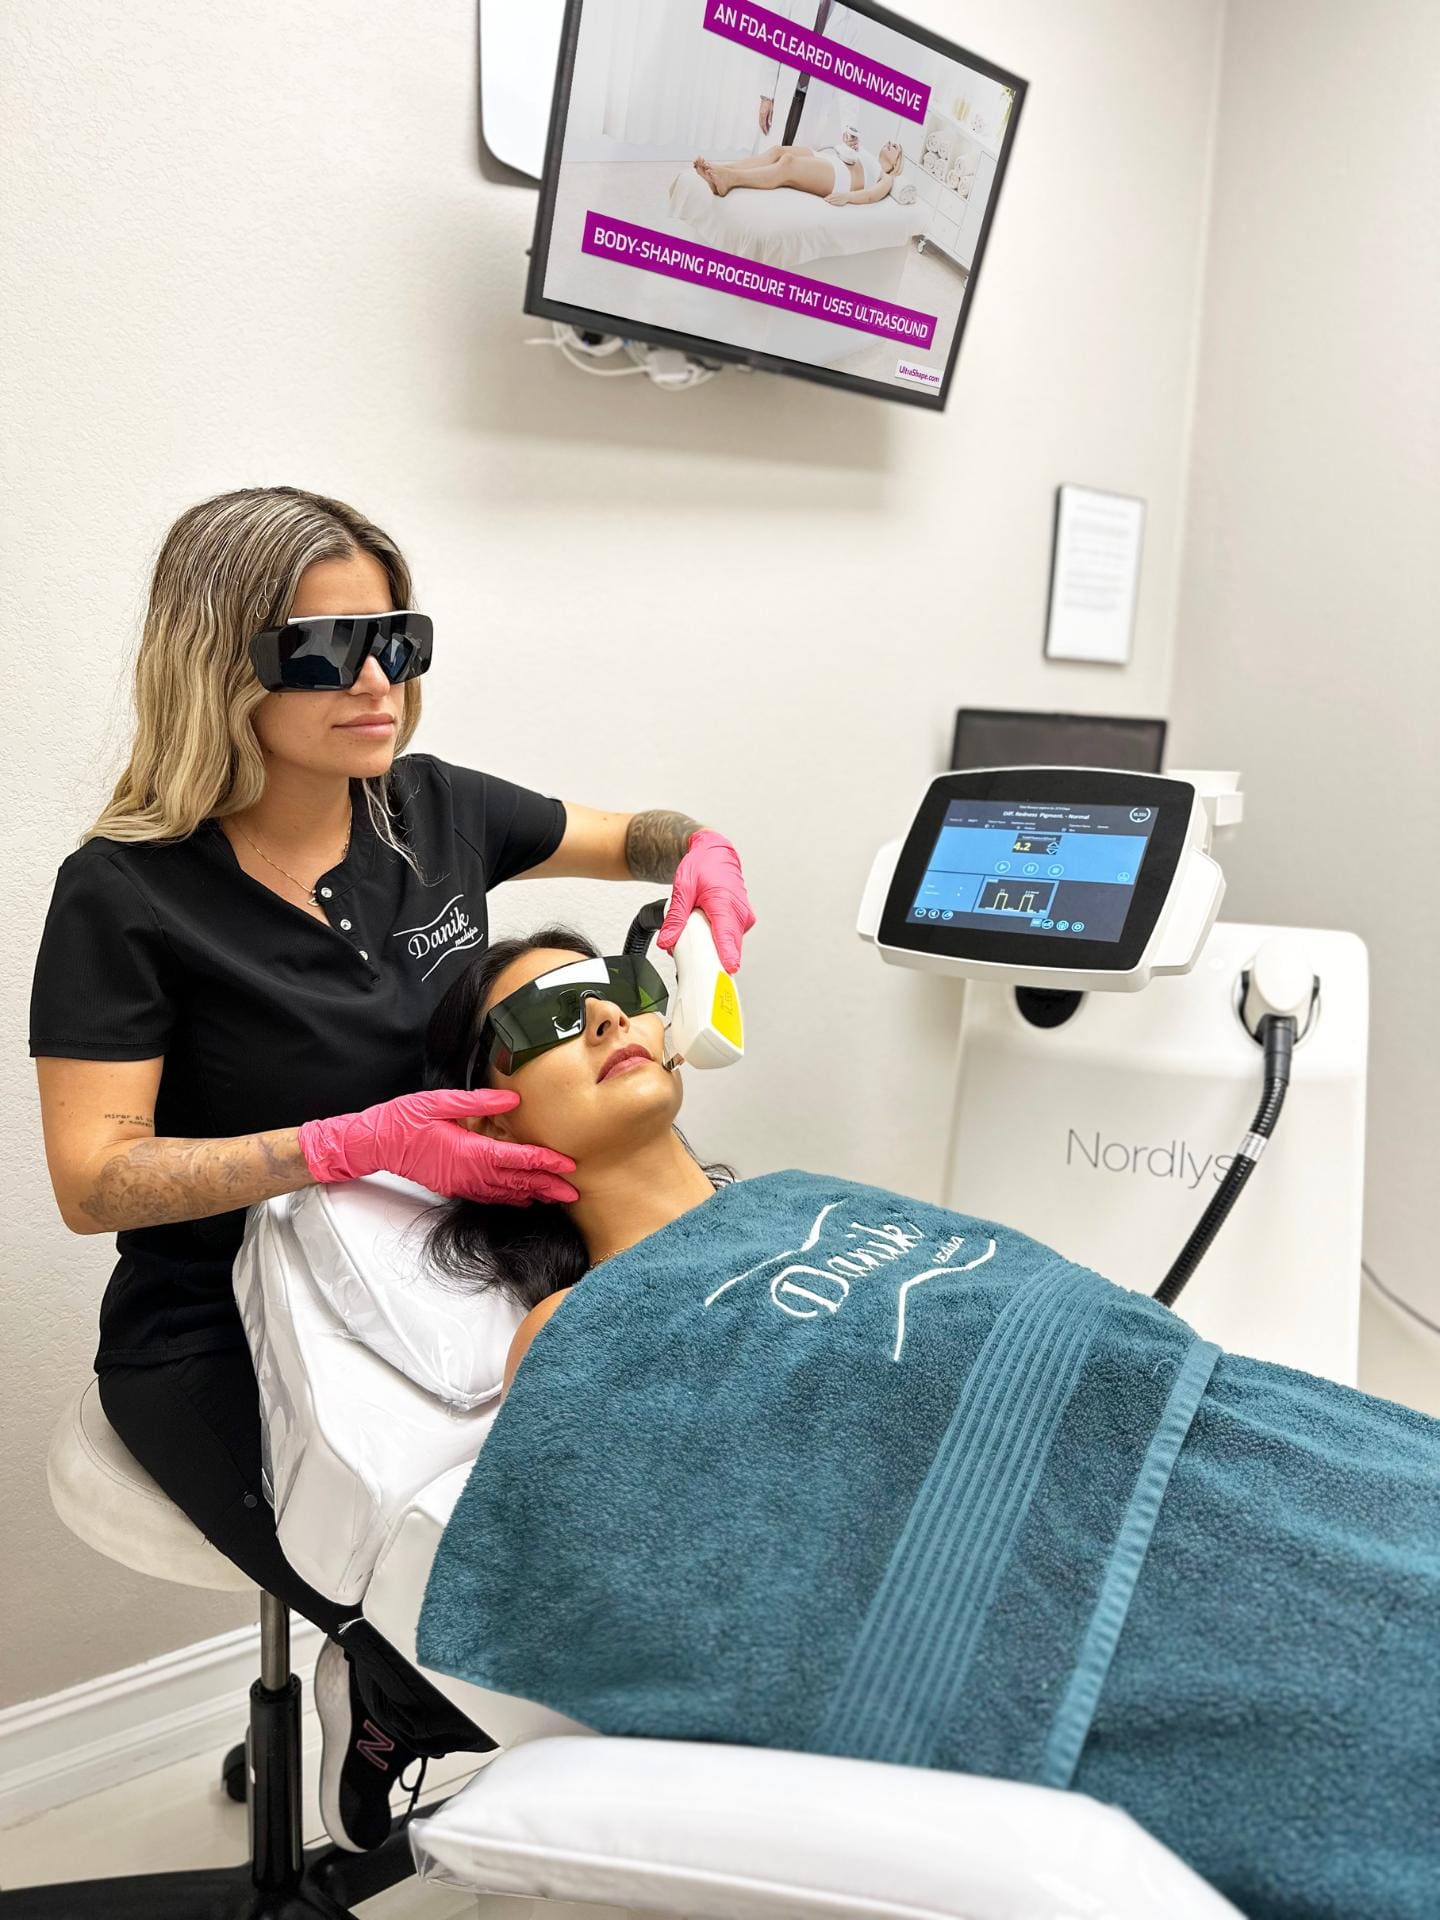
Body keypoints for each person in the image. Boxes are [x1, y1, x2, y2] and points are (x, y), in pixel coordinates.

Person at [412, 927, 1440, 1920]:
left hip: (1228, 1424)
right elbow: (719, 1557)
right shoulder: (576, 1322)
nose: (603, 1015)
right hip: (1095, 1574)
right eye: (550, 1015)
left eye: (626, 984)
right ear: (490, 1119)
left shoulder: (805, 1196)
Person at [26, 487, 756, 1855]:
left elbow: (638, 836)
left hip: (466, 1260)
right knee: (445, 1591)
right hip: (228, 1319)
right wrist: (345, 1146)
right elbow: (92, 1181)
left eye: (399, 640)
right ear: (216, 662)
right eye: (322, 650)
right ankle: (387, 1695)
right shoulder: (126, 895)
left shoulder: (430, 810)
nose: (376, 684)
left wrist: (700, 850)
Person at [694, 136, 905, 206]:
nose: (889, 144)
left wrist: (847, 197)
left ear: (896, 163)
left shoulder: (886, 177)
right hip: (831, 158)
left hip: (839, 176)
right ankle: (721, 169)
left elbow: (870, 196)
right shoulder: (867, 154)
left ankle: (729, 179)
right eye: (888, 142)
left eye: (894, 147)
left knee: (788, 164)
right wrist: (850, 144)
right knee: (778, 150)